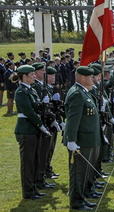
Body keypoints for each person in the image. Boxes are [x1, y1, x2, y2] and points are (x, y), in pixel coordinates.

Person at [64, 66, 101, 210]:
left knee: (84, 173)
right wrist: (71, 140)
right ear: (83, 78)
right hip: (80, 141)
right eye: (91, 77)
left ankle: (82, 198)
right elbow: (73, 120)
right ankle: (76, 202)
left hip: (88, 140)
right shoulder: (77, 94)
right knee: (78, 174)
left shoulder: (84, 92)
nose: (94, 79)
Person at [14, 65, 51, 200]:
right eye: (32, 75)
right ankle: (28, 191)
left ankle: (34, 187)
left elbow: (37, 106)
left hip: (33, 130)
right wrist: (41, 125)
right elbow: (29, 112)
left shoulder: (31, 90)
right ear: (24, 77)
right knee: (28, 162)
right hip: (26, 130)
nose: (34, 76)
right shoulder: (21, 92)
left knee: (35, 160)